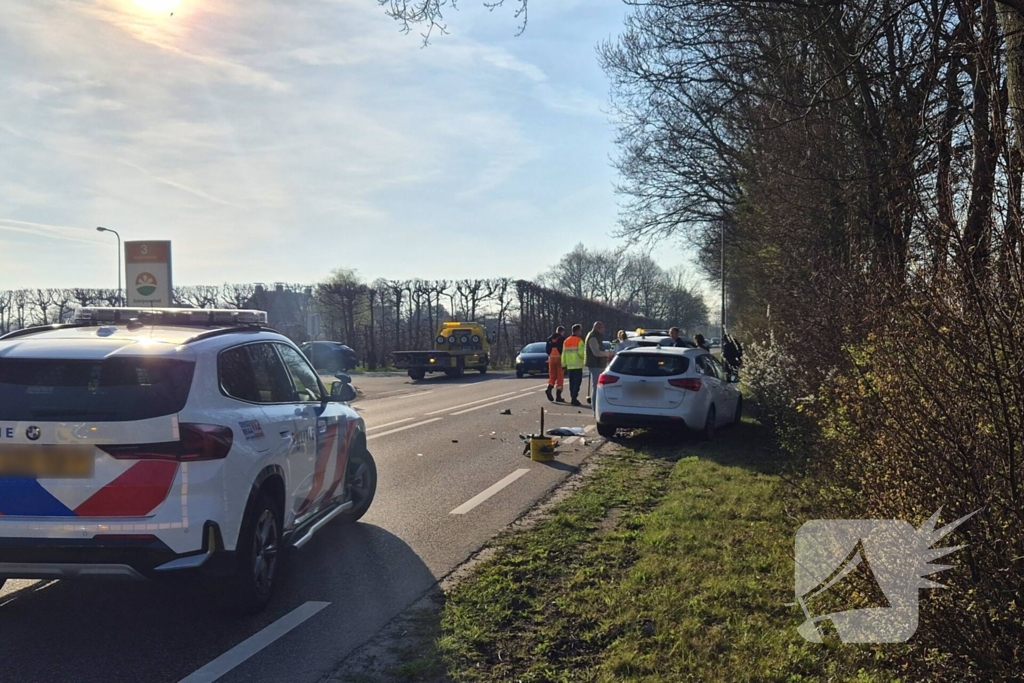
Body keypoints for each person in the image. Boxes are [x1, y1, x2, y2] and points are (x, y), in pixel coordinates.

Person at [584, 321, 610, 405]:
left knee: (597, 386)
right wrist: (607, 353)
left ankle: (595, 406)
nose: (604, 330)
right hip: (596, 364)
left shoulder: (595, 336)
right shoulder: (593, 337)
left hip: (597, 363)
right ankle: (595, 407)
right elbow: (596, 352)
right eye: (603, 328)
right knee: (596, 386)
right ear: (598, 328)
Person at [561, 324, 586, 406]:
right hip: (578, 365)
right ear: (577, 331)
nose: (580, 332)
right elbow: (581, 353)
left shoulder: (566, 341)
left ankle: (572, 396)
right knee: (577, 383)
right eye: (580, 330)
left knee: (571, 383)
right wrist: (586, 358)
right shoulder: (579, 341)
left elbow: (563, 354)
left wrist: (563, 364)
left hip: (569, 366)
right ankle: (574, 398)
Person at [544, 325, 566, 403]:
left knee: (552, 376)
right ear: (562, 332)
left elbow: (547, 350)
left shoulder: (549, 339)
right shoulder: (562, 339)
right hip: (559, 359)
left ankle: (549, 388)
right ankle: (558, 396)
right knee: (560, 376)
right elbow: (564, 350)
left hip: (551, 359)